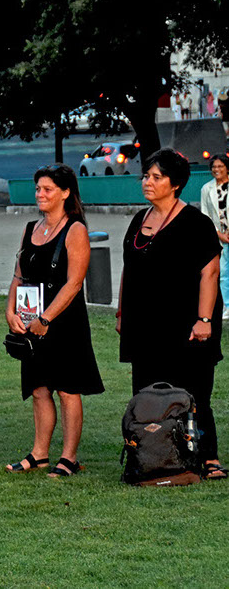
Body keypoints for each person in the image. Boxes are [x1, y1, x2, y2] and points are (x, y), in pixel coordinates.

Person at [118, 148, 227, 480]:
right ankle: (154, 455)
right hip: (146, 324)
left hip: (188, 322)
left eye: (156, 177)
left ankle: (208, 457)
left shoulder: (196, 223)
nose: (147, 182)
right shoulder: (140, 219)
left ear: (176, 183)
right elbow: (129, 269)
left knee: (195, 391)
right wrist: (122, 312)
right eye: (146, 176)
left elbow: (210, 272)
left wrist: (204, 319)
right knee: (149, 392)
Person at [5, 165, 103, 477]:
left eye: (47, 189)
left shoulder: (75, 229)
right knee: (38, 388)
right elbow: (19, 274)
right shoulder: (30, 228)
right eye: (38, 189)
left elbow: (74, 283)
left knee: (67, 390)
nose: (40, 194)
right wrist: (10, 310)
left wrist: (46, 319)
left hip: (64, 321)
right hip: (31, 319)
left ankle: (68, 457)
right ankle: (39, 454)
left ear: (65, 192)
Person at [200, 153, 229, 321]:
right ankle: (227, 306)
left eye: (220, 166)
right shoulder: (206, 189)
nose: (216, 169)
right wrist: (219, 234)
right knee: (223, 272)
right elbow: (206, 215)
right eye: (214, 167)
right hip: (220, 237)